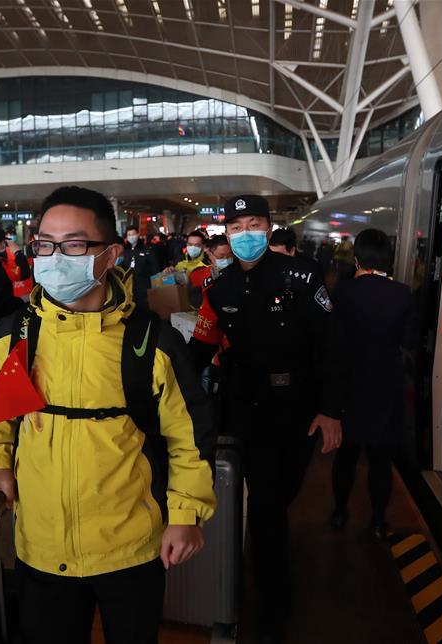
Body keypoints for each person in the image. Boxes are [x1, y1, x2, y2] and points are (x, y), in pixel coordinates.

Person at [0, 186, 216, 644]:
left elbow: (189, 437)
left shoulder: (151, 343)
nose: (53, 257)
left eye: (73, 245)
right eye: (44, 244)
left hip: (130, 549)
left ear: (110, 254)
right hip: (41, 547)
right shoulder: (18, 334)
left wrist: (186, 515)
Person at [189, 195, 346, 643]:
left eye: (253, 224)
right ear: (227, 235)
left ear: (269, 226)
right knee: (266, 506)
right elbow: (198, 350)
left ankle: (272, 569)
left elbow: (332, 346)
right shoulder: (218, 291)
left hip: (298, 408)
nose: (245, 235)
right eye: (236, 227)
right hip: (250, 411)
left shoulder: (302, 278)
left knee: (286, 492)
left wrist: (332, 409)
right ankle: (274, 603)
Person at [330, 229, 417, 541]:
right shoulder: (403, 293)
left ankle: (340, 512)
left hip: (349, 385)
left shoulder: (342, 292)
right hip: (385, 385)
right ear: (388, 259)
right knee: (380, 460)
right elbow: (410, 341)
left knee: (347, 456)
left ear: (356, 258)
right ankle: (379, 521)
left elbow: (332, 341)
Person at [186, 234, 233, 309]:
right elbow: (195, 300)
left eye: (230, 256)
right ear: (210, 254)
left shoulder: (238, 268)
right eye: (221, 256)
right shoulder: (197, 272)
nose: (226, 259)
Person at [120, 224, 159, 307]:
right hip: (129, 286)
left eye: (133, 234)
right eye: (129, 235)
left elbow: (154, 267)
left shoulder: (146, 249)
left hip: (144, 285)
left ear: (138, 234)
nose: (131, 237)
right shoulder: (125, 251)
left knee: (144, 306)